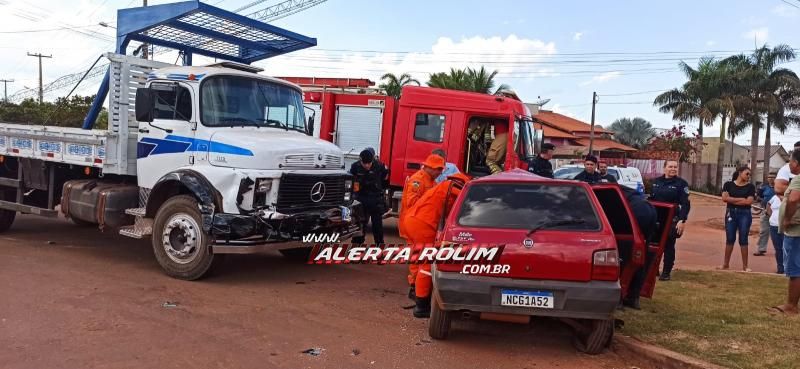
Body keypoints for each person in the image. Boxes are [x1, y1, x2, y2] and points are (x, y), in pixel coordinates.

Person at [404, 173, 470, 318]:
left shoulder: (443, 186)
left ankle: (415, 290)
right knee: (427, 264)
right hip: (423, 225)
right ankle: (421, 306)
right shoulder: (454, 189)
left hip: (412, 221)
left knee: (418, 259)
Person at [399, 154, 445, 299]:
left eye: (441, 169)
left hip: (418, 223)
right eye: (438, 169)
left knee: (418, 255)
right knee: (417, 256)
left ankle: (416, 285)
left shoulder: (431, 181)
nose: (440, 172)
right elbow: (412, 203)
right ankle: (414, 286)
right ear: (429, 167)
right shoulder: (418, 180)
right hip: (413, 223)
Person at [649, 160, 691, 281]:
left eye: (675, 167)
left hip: (671, 220)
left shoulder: (681, 184)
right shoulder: (656, 182)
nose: (673, 169)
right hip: (656, 219)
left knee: (668, 245)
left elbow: (685, 204)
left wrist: (682, 220)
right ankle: (653, 269)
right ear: (664, 168)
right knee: (653, 244)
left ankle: (666, 272)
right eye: (670, 166)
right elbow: (650, 199)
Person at [771, 149, 800, 315]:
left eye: (790, 161)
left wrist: (787, 218)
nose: (789, 164)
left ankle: (791, 306)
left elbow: (794, 199)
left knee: (795, 269)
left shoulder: (798, 179)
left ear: (796, 163)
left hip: (796, 232)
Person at [620, 186, 657, 310]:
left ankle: (619, 297)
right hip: (650, 209)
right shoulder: (622, 189)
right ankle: (634, 297)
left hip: (636, 211)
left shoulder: (604, 191)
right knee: (642, 257)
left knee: (622, 257)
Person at [350, 149, 388, 246]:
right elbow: (351, 181)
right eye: (364, 163)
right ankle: (356, 247)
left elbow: (385, 178)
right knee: (360, 224)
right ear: (360, 160)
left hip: (375, 199)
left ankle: (379, 247)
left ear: (372, 160)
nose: (367, 165)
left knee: (377, 226)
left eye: (369, 163)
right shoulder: (355, 167)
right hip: (361, 199)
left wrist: (380, 187)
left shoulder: (379, 166)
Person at [720, 166, 756, 272]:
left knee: (743, 238)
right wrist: (741, 199)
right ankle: (725, 264)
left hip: (745, 214)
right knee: (730, 238)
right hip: (731, 213)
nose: (749, 176)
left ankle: (745, 266)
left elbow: (749, 202)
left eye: (750, 175)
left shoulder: (750, 187)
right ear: (740, 173)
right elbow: (724, 198)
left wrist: (731, 199)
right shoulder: (728, 184)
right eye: (747, 174)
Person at [755, 172, 777, 256]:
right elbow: (758, 197)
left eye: (773, 177)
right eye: (769, 177)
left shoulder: (780, 187)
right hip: (765, 211)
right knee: (763, 231)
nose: (771, 179)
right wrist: (761, 201)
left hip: (777, 212)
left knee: (779, 232)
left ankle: (780, 250)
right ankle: (761, 249)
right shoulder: (764, 187)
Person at [767, 193, 785, 274]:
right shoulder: (774, 197)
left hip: (786, 227)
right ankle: (780, 268)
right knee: (778, 248)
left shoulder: (791, 196)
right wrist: (771, 215)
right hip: (774, 226)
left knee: (787, 248)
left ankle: (789, 267)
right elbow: (768, 204)